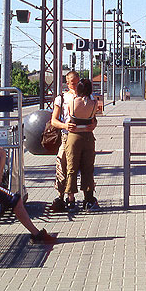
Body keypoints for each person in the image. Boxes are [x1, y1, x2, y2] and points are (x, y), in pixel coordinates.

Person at [50, 71, 101, 211]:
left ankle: (87, 198)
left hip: (84, 134)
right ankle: (63, 197)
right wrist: (65, 126)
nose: (76, 86)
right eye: (73, 83)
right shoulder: (61, 98)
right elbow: (53, 120)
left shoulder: (88, 97)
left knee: (86, 167)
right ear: (67, 83)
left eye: (78, 83)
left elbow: (93, 117)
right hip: (67, 135)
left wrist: (94, 124)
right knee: (63, 166)